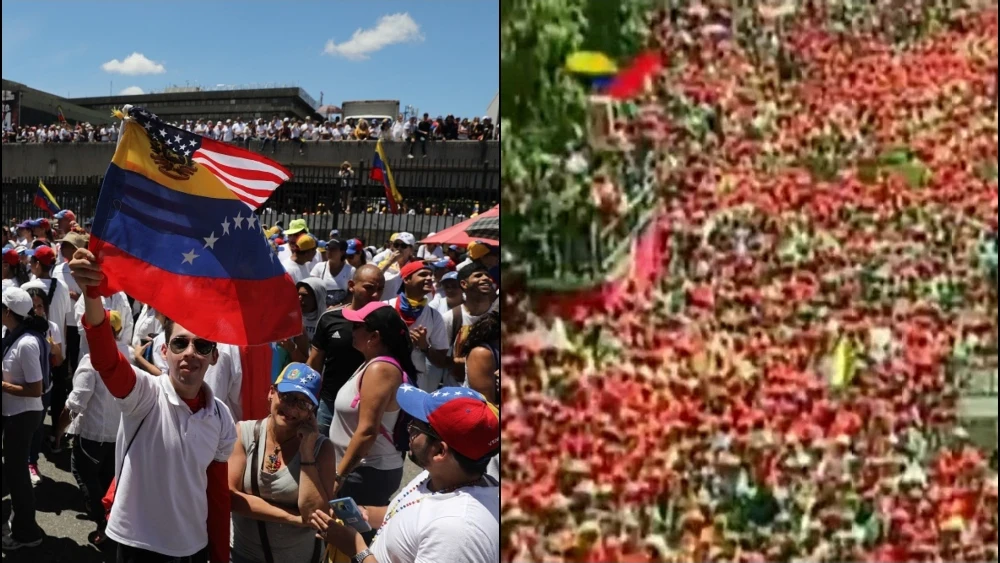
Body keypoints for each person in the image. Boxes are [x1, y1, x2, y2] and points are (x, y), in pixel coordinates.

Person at [69, 248, 237, 563]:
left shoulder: (221, 416)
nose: (190, 352)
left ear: (214, 356)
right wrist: (92, 294)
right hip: (138, 544)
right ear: (164, 351)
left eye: (202, 345)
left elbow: (217, 495)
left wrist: (220, 557)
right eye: (180, 343)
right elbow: (107, 362)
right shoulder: (145, 393)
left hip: (193, 546)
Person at [310, 385, 500, 563]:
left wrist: (357, 550)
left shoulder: (457, 532)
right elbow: (415, 514)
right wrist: (366, 514)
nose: (408, 430)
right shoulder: (443, 476)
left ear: (439, 452)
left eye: (415, 427)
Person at [229, 363, 336, 563]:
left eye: (303, 404)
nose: (292, 408)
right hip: (243, 555)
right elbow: (231, 498)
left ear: (311, 411)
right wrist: (292, 518)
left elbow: (316, 515)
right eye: (287, 397)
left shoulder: (322, 449)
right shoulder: (244, 434)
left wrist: (306, 453)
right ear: (271, 392)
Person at [329, 302, 417, 510]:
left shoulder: (380, 369)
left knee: (356, 538)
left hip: (366, 473)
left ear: (374, 336)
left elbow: (368, 430)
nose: (351, 330)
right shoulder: (371, 363)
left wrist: (339, 475)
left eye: (357, 326)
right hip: (359, 470)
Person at [58, 310, 128, 546]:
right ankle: (113, 523)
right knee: (109, 480)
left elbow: (75, 404)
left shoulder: (91, 361)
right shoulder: (125, 355)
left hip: (92, 435)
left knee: (86, 476)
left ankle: (103, 524)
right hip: (116, 435)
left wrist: (57, 432)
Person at [309, 265, 385, 437]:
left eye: (380, 289)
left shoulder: (387, 323)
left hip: (368, 408)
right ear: (351, 285)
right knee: (321, 454)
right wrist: (307, 401)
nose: (376, 295)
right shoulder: (330, 318)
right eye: (369, 288)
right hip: (329, 406)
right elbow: (314, 363)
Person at [1, 286, 49, 551]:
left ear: (8, 311)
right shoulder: (11, 334)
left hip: (23, 415)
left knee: (18, 476)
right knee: (13, 472)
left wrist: (3, 386)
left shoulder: (27, 343)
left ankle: (26, 532)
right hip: (13, 413)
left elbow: (35, 389)